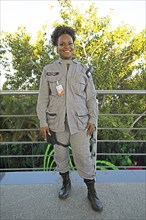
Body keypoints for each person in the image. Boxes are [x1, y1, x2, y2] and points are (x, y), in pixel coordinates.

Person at [36, 25, 103, 212]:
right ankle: (66, 183)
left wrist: (93, 119)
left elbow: (91, 98)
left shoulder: (83, 70)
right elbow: (42, 98)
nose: (67, 46)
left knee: (83, 157)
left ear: (74, 45)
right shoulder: (48, 70)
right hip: (56, 122)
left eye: (70, 43)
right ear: (56, 47)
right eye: (62, 44)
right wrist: (43, 122)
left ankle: (91, 191)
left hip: (80, 123)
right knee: (60, 155)